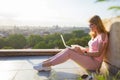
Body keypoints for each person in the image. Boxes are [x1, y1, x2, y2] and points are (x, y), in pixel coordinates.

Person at [33, 15, 108, 72]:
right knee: (68, 49)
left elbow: (98, 53)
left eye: (91, 24)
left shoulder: (103, 35)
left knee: (69, 52)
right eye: (89, 25)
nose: (89, 26)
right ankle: (46, 63)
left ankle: (45, 65)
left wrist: (83, 53)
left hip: (95, 64)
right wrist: (80, 48)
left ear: (97, 24)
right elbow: (91, 49)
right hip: (90, 58)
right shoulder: (95, 35)